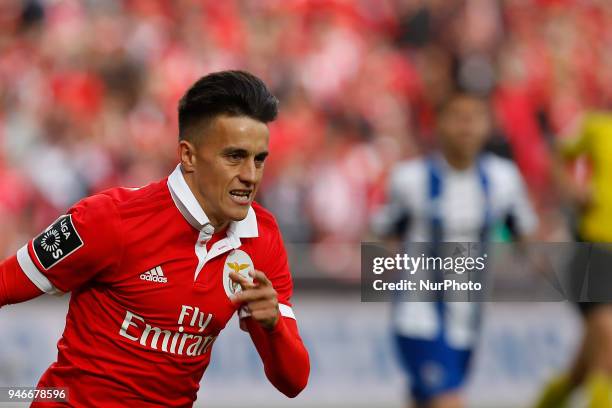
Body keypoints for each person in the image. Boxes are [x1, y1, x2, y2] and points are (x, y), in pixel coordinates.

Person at [0, 70, 310, 407]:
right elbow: (5, 284)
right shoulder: (108, 219)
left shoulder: (260, 237)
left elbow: (293, 381)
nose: (250, 176)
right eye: (234, 157)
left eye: (259, 160)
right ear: (188, 156)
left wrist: (273, 325)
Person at [374, 91, 537, 408]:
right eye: (457, 117)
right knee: (449, 401)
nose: (466, 126)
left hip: (468, 321)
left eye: (474, 117)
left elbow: (526, 237)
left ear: (488, 126)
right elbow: (384, 233)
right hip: (418, 316)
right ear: (438, 125)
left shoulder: (504, 179)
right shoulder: (411, 178)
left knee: (427, 400)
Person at [534, 112, 612, 408]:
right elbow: (557, 151)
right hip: (598, 248)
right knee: (608, 346)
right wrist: (571, 188)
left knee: (584, 369)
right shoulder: (599, 126)